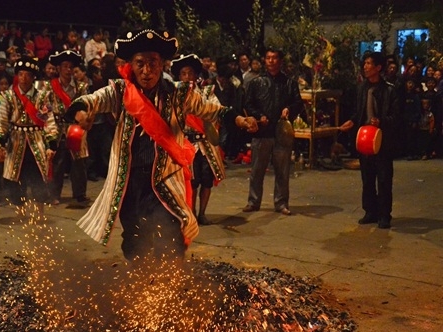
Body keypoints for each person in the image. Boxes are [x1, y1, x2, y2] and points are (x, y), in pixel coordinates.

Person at [65, 29, 257, 263]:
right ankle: (142, 279)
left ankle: (171, 278)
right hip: (130, 181)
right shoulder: (120, 91)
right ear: (131, 65)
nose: (147, 71)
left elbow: (211, 109)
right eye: (140, 63)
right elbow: (92, 100)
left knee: (170, 233)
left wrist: (239, 119)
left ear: (162, 65)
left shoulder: (179, 94)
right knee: (135, 238)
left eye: (153, 63)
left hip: (166, 179)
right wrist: (82, 112)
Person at [340, 51, 399, 229]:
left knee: (384, 179)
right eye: (364, 63)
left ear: (378, 67)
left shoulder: (390, 90)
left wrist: (381, 121)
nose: (365, 67)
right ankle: (370, 211)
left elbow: (397, 117)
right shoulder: (361, 88)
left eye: (368, 64)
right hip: (364, 138)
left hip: (382, 140)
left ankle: (384, 215)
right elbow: (358, 112)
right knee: (367, 178)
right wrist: (352, 122)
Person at [243, 48, 303, 216]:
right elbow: (248, 104)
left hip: (281, 133)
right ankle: (253, 201)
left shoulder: (289, 83)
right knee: (257, 170)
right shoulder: (256, 82)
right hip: (262, 132)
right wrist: (258, 116)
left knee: (282, 171)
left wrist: (289, 109)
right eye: (268, 57)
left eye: (274, 58)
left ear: (280, 61)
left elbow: (298, 103)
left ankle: (281, 203)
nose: (271, 61)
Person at [170, 53, 226, 226]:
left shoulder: (207, 93)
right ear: (179, 76)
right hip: (187, 145)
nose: (187, 77)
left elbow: (217, 110)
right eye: (183, 74)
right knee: (191, 181)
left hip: (206, 145)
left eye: (190, 73)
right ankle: (191, 213)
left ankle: (202, 213)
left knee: (206, 181)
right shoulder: (175, 95)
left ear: (195, 75)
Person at [0, 56, 57, 205]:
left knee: (38, 179)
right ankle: (20, 213)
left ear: (33, 77)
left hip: (36, 140)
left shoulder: (42, 96)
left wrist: (51, 143)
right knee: (16, 180)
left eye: (28, 75)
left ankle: (39, 212)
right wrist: (1, 139)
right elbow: (1, 119)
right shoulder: (9, 96)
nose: (24, 78)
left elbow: (48, 120)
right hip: (16, 141)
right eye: (21, 74)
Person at [43, 50, 89, 206]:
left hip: (75, 127)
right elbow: (44, 107)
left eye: (71, 67)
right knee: (57, 162)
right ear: (59, 68)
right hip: (57, 127)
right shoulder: (49, 87)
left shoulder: (81, 87)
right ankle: (53, 194)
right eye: (65, 66)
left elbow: (86, 105)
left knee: (79, 162)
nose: (68, 70)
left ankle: (80, 194)